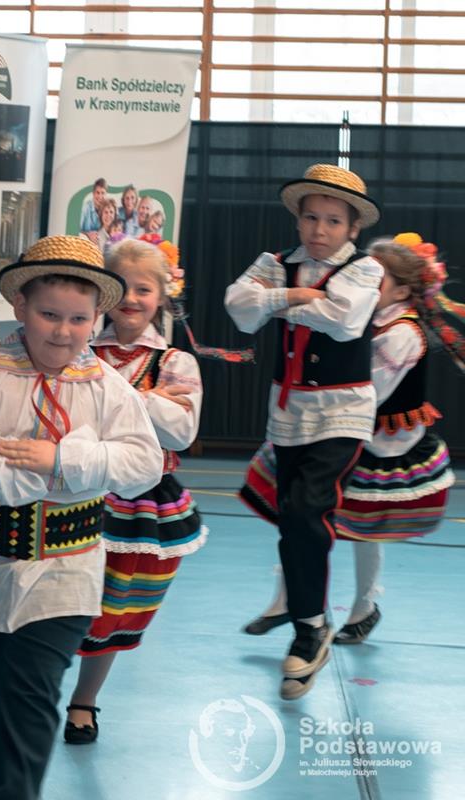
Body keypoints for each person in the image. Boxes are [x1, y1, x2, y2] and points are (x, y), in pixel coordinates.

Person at [0, 235, 161, 799]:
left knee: (32, 696)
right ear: (21, 307)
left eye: (79, 319)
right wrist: (58, 477)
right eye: (49, 315)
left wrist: (59, 459)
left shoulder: (107, 387)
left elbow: (143, 464)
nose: (63, 331)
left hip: (66, 574)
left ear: (96, 319)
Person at [240, 233, 461, 647]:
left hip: (381, 444)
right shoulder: (363, 316)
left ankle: (363, 606)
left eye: (377, 278)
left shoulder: (402, 332)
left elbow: (368, 389)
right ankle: (287, 599)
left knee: (360, 527)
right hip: (343, 428)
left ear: (403, 291)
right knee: (301, 515)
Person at [224, 163, 384, 701]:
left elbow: (344, 320)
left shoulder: (365, 269)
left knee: (305, 509)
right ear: (298, 219)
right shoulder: (277, 263)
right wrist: (295, 298)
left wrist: (278, 300)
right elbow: (239, 309)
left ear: (352, 227)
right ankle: (311, 623)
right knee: (291, 519)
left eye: (333, 221)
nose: (319, 229)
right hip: (289, 412)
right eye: (311, 217)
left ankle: (308, 628)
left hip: (342, 410)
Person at [64, 237, 207, 745]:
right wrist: (147, 399)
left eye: (143, 289)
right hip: (77, 489)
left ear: (162, 296)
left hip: (140, 503)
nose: (131, 298)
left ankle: (84, 700)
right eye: (121, 286)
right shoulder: (78, 348)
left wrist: (122, 397)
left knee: (112, 608)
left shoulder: (176, 362)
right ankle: (37, 686)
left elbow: (181, 432)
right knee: (60, 597)